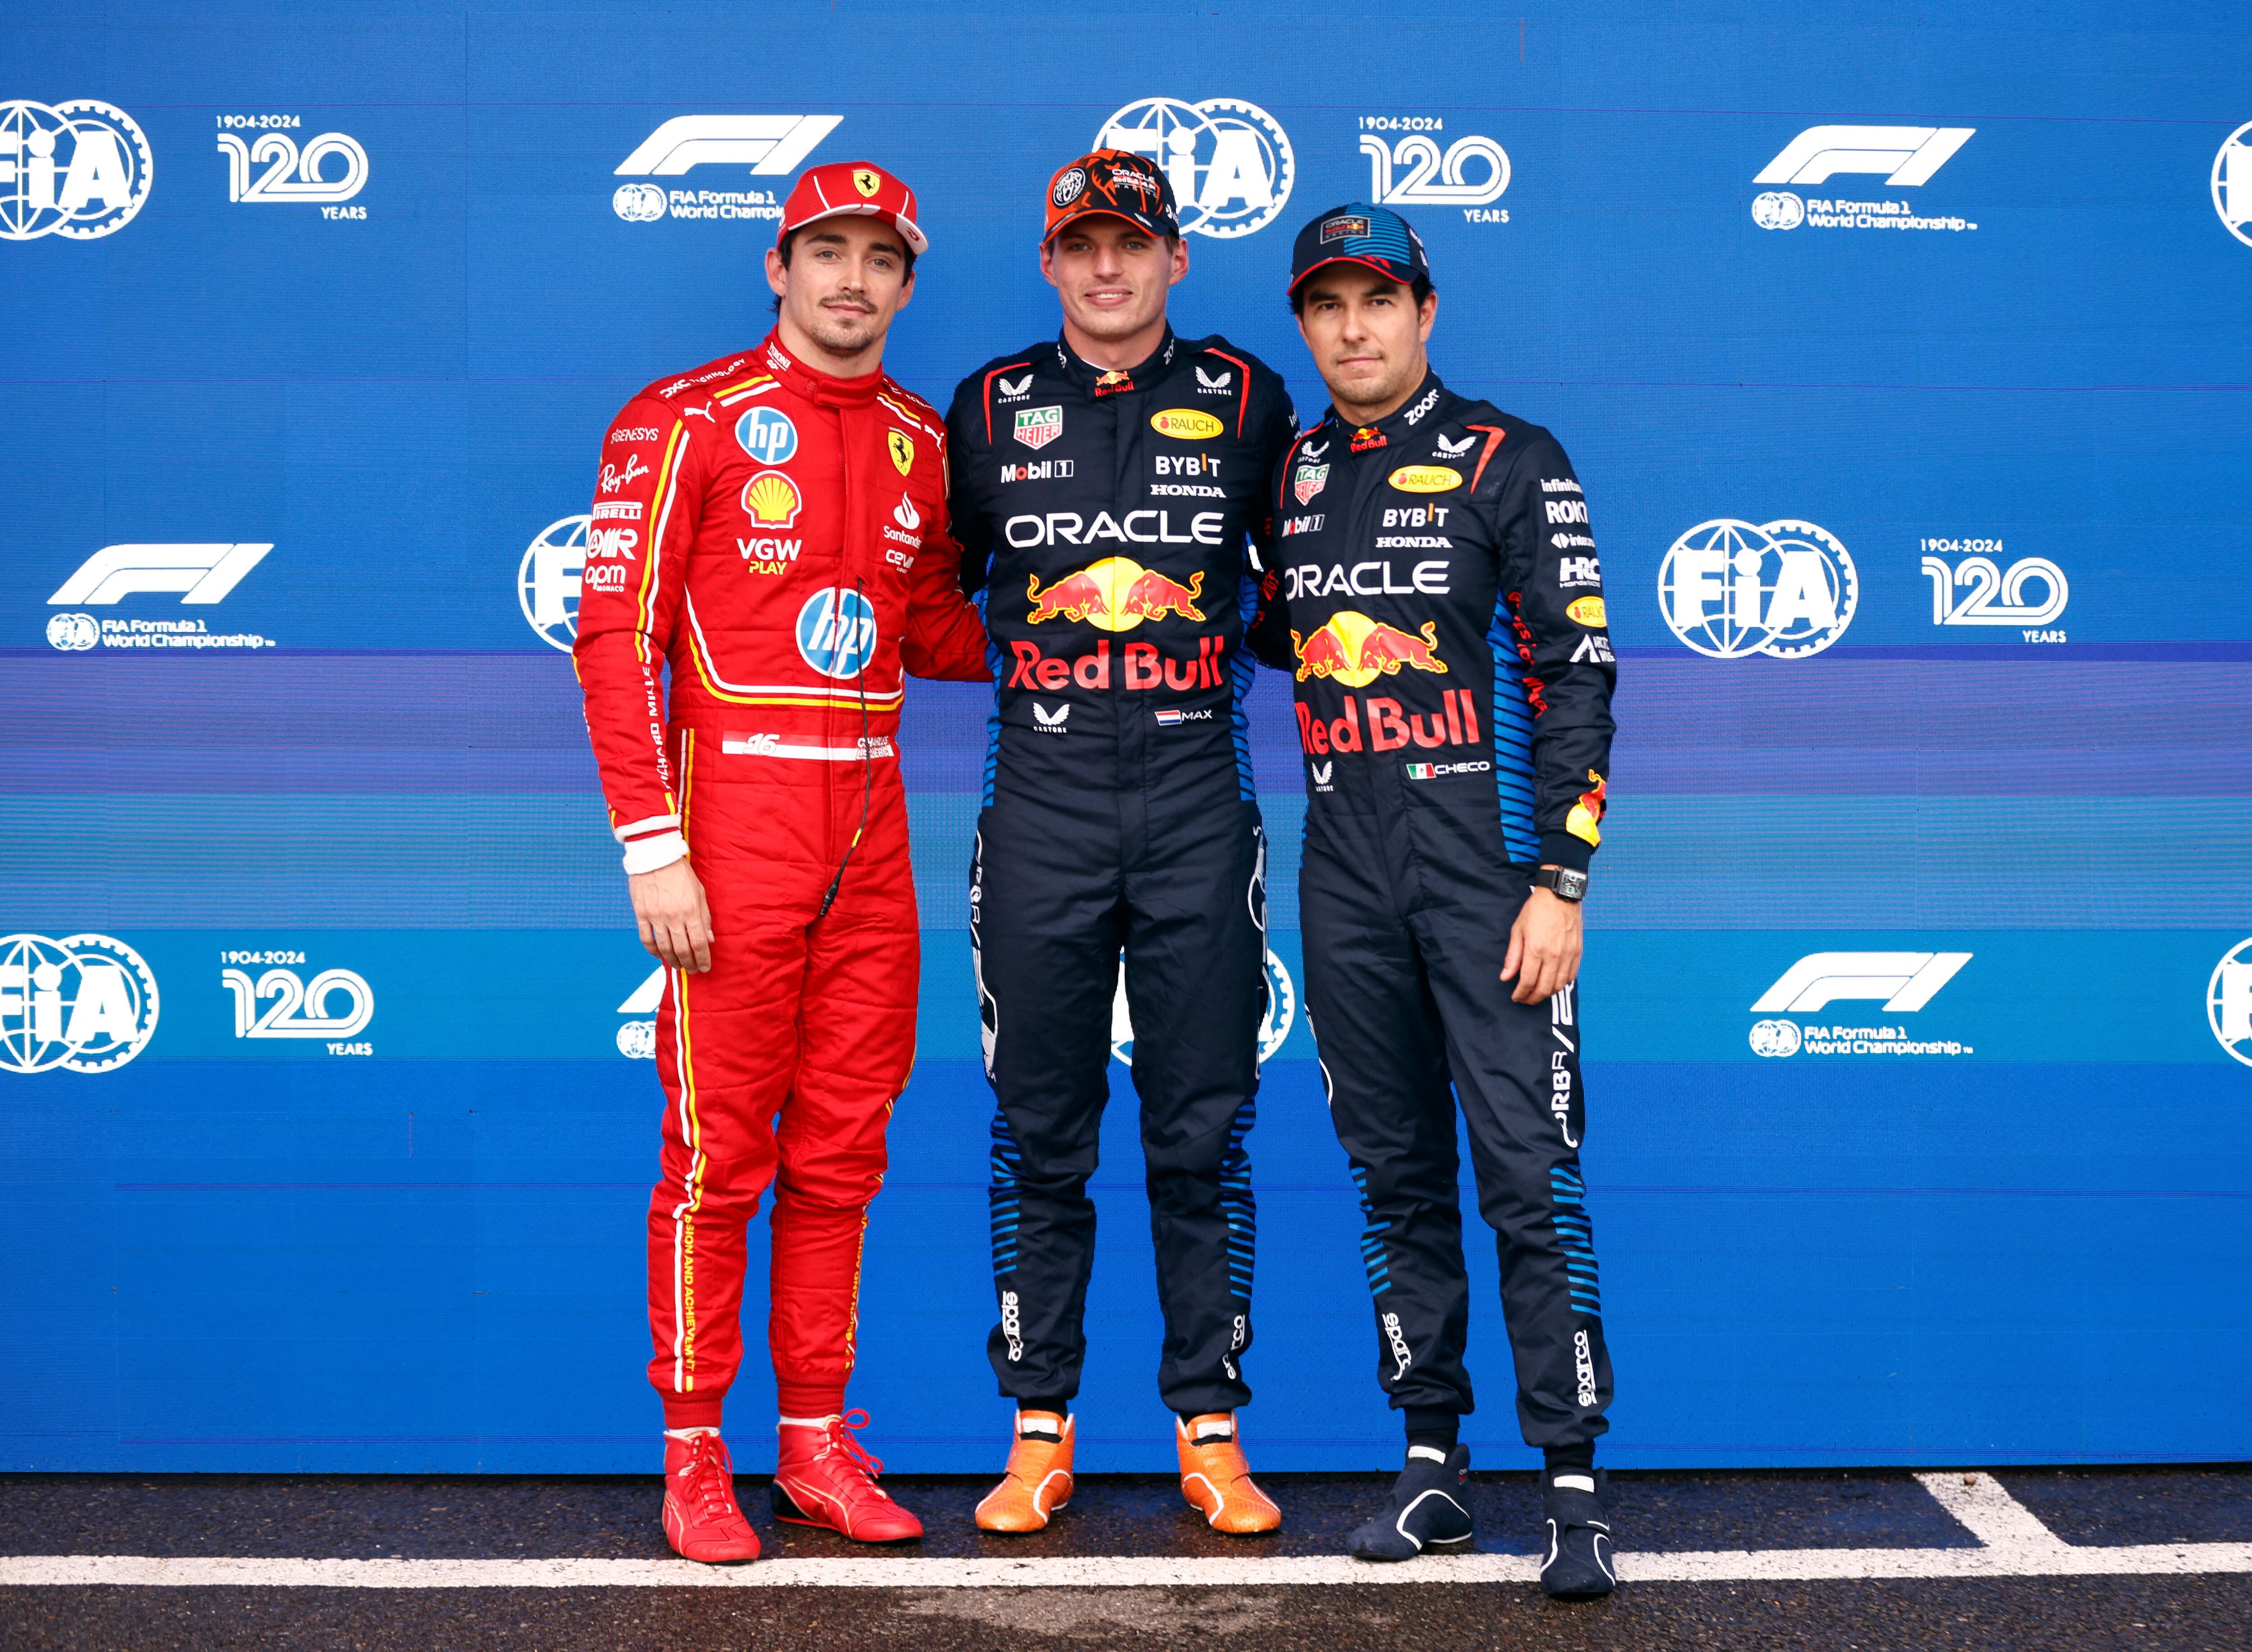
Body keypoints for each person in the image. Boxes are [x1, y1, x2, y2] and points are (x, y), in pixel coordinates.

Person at [574, 160, 990, 1564]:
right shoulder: (683, 419)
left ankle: (814, 1442)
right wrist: (654, 845)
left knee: (843, 1156)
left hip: (872, 843)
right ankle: (697, 1456)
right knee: (713, 1160)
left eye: (880, 258)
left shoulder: (922, 444)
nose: (851, 281)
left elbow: (939, 631)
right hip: (729, 838)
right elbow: (617, 640)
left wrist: (1103, 609)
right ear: (778, 265)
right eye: (827, 252)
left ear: (907, 282)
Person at [1251, 203, 1620, 1597]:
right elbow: (1271, 634)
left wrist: (1560, 882)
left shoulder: (1511, 458)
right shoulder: (1289, 472)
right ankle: (1432, 1469)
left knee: (1530, 1172)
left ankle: (1574, 1485)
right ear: (1306, 324)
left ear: (1426, 308)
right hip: (1346, 870)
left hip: (1493, 868)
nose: (1355, 327)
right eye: (1329, 306)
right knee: (1393, 1172)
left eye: (1379, 300)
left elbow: (1579, 673)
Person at [944, 149, 1299, 1534]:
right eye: (1083, 245)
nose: (1108, 267)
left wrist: (1225, 631)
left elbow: (1302, 576)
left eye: (1134, 245)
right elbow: (928, 588)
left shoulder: (1248, 395)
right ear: (1049, 261)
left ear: (1175, 261)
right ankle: (1040, 1427)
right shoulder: (987, 405)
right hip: (1038, 799)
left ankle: (1210, 1425)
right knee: (1042, 1127)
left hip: (1197, 794)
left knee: (1200, 1126)